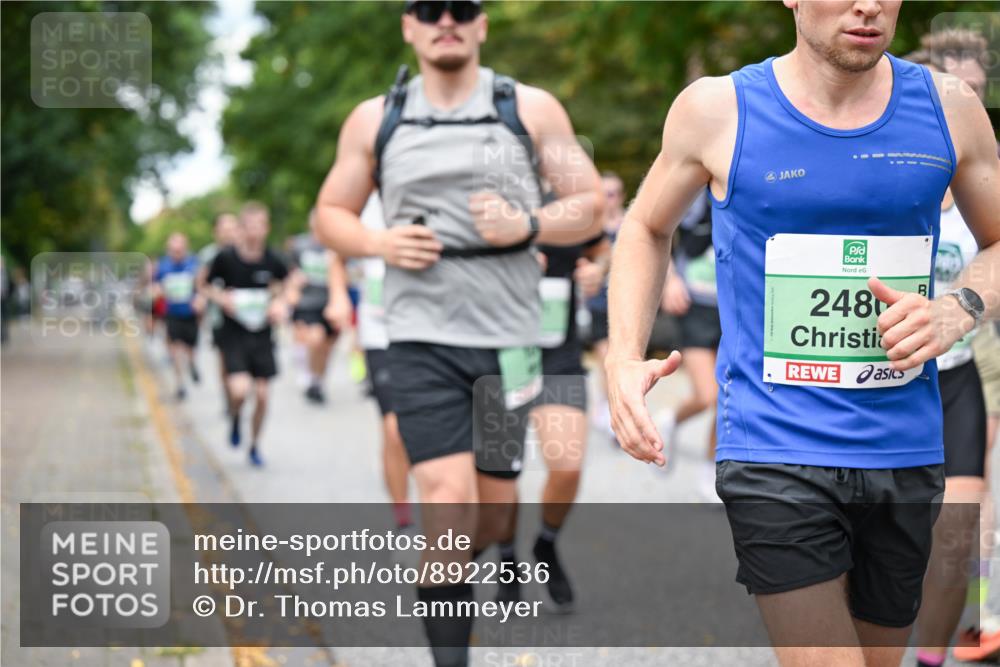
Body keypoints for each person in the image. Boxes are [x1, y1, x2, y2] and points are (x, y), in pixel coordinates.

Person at [605, 3, 1000, 667]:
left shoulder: (950, 108)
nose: (868, 4)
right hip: (772, 444)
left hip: (901, 446)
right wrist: (620, 357)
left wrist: (960, 303)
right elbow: (645, 227)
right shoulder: (717, 110)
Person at [314, 1, 603, 663]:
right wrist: (378, 240)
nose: (446, 17)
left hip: (508, 344)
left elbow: (588, 205)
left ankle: (507, 551)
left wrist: (526, 224)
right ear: (409, 26)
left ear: (481, 25)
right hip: (419, 342)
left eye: (462, 7)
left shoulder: (529, 108)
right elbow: (330, 213)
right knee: (447, 502)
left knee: (492, 516)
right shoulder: (376, 116)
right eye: (428, 8)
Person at [492, 224, 610, 611]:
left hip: (558, 355)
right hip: (498, 358)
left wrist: (598, 267)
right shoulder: (484, 194)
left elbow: (601, 247)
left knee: (567, 467)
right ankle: (506, 559)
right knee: (501, 482)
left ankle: (545, 543)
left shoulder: (569, 203)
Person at [206, 202, 291, 467]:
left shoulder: (273, 258)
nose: (255, 231)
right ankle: (234, 419)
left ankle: (254, 446)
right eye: (249, 225)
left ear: (266, 228)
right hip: (234, 334)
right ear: (241, 229)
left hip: (263, 334)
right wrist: (222, 298)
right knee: (240, 391)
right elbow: (203, 284)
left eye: (260, 225)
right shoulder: (226, 257)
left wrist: (281, 302)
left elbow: (289, 282)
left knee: (263, 395)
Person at [354, 193, 413, 532]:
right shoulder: (365, 201)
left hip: (427, 328)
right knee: (393, 429)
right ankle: (403, 517)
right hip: (380, 334)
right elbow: (337, 256)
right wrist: (336, 295)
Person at [658, 187, 721, 501]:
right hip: (694, 304)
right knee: (708, 394)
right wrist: (669, 280)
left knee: (727, 397)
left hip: (735, 307)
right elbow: (656, 229)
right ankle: (670, 420)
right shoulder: (693, 187)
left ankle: (710, 470)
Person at [286, 209, 352, 404]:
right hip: (307, 303)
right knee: (315, 339)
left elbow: (348, 273)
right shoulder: (300, 245)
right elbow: (289, 272)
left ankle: (318, 382)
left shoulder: (337, 247)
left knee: (327, 348)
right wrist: (292, 288)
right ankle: (309, 376)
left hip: (330, 303)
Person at [587, 172, 625, 440]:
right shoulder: (592, 229)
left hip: (622, 304)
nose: (607, 200)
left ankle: (610, 406)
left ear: (620, 197)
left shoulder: (633, 225)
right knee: (605, 359)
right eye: (603, 194)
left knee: (618, 360)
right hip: (597, 304)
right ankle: (613, 413)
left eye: (611, 194)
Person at [197, 213, 241, 412]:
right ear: (216, 232)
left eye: (233, 229)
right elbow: (200, 284)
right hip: (219, 317)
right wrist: (217, 297)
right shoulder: (208, 255)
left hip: (246, 317)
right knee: (225, 360)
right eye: (225, 230)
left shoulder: (246, 252)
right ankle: (228, 396)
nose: (229, 234)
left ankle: (240, 394)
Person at [153, 232, 202, 400]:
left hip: (190, 314)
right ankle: (180, 384)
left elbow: (202, 286)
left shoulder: (194, 264)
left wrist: (200, 299)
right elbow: (156, 286)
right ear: (169, 250)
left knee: (190, 348)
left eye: (180, 250)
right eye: (174, 250)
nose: (177, 253)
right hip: (172, 314)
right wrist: (158, 291)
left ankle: (192, 363)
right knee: (175, 350)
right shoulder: (163, 266)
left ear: (185, 248)